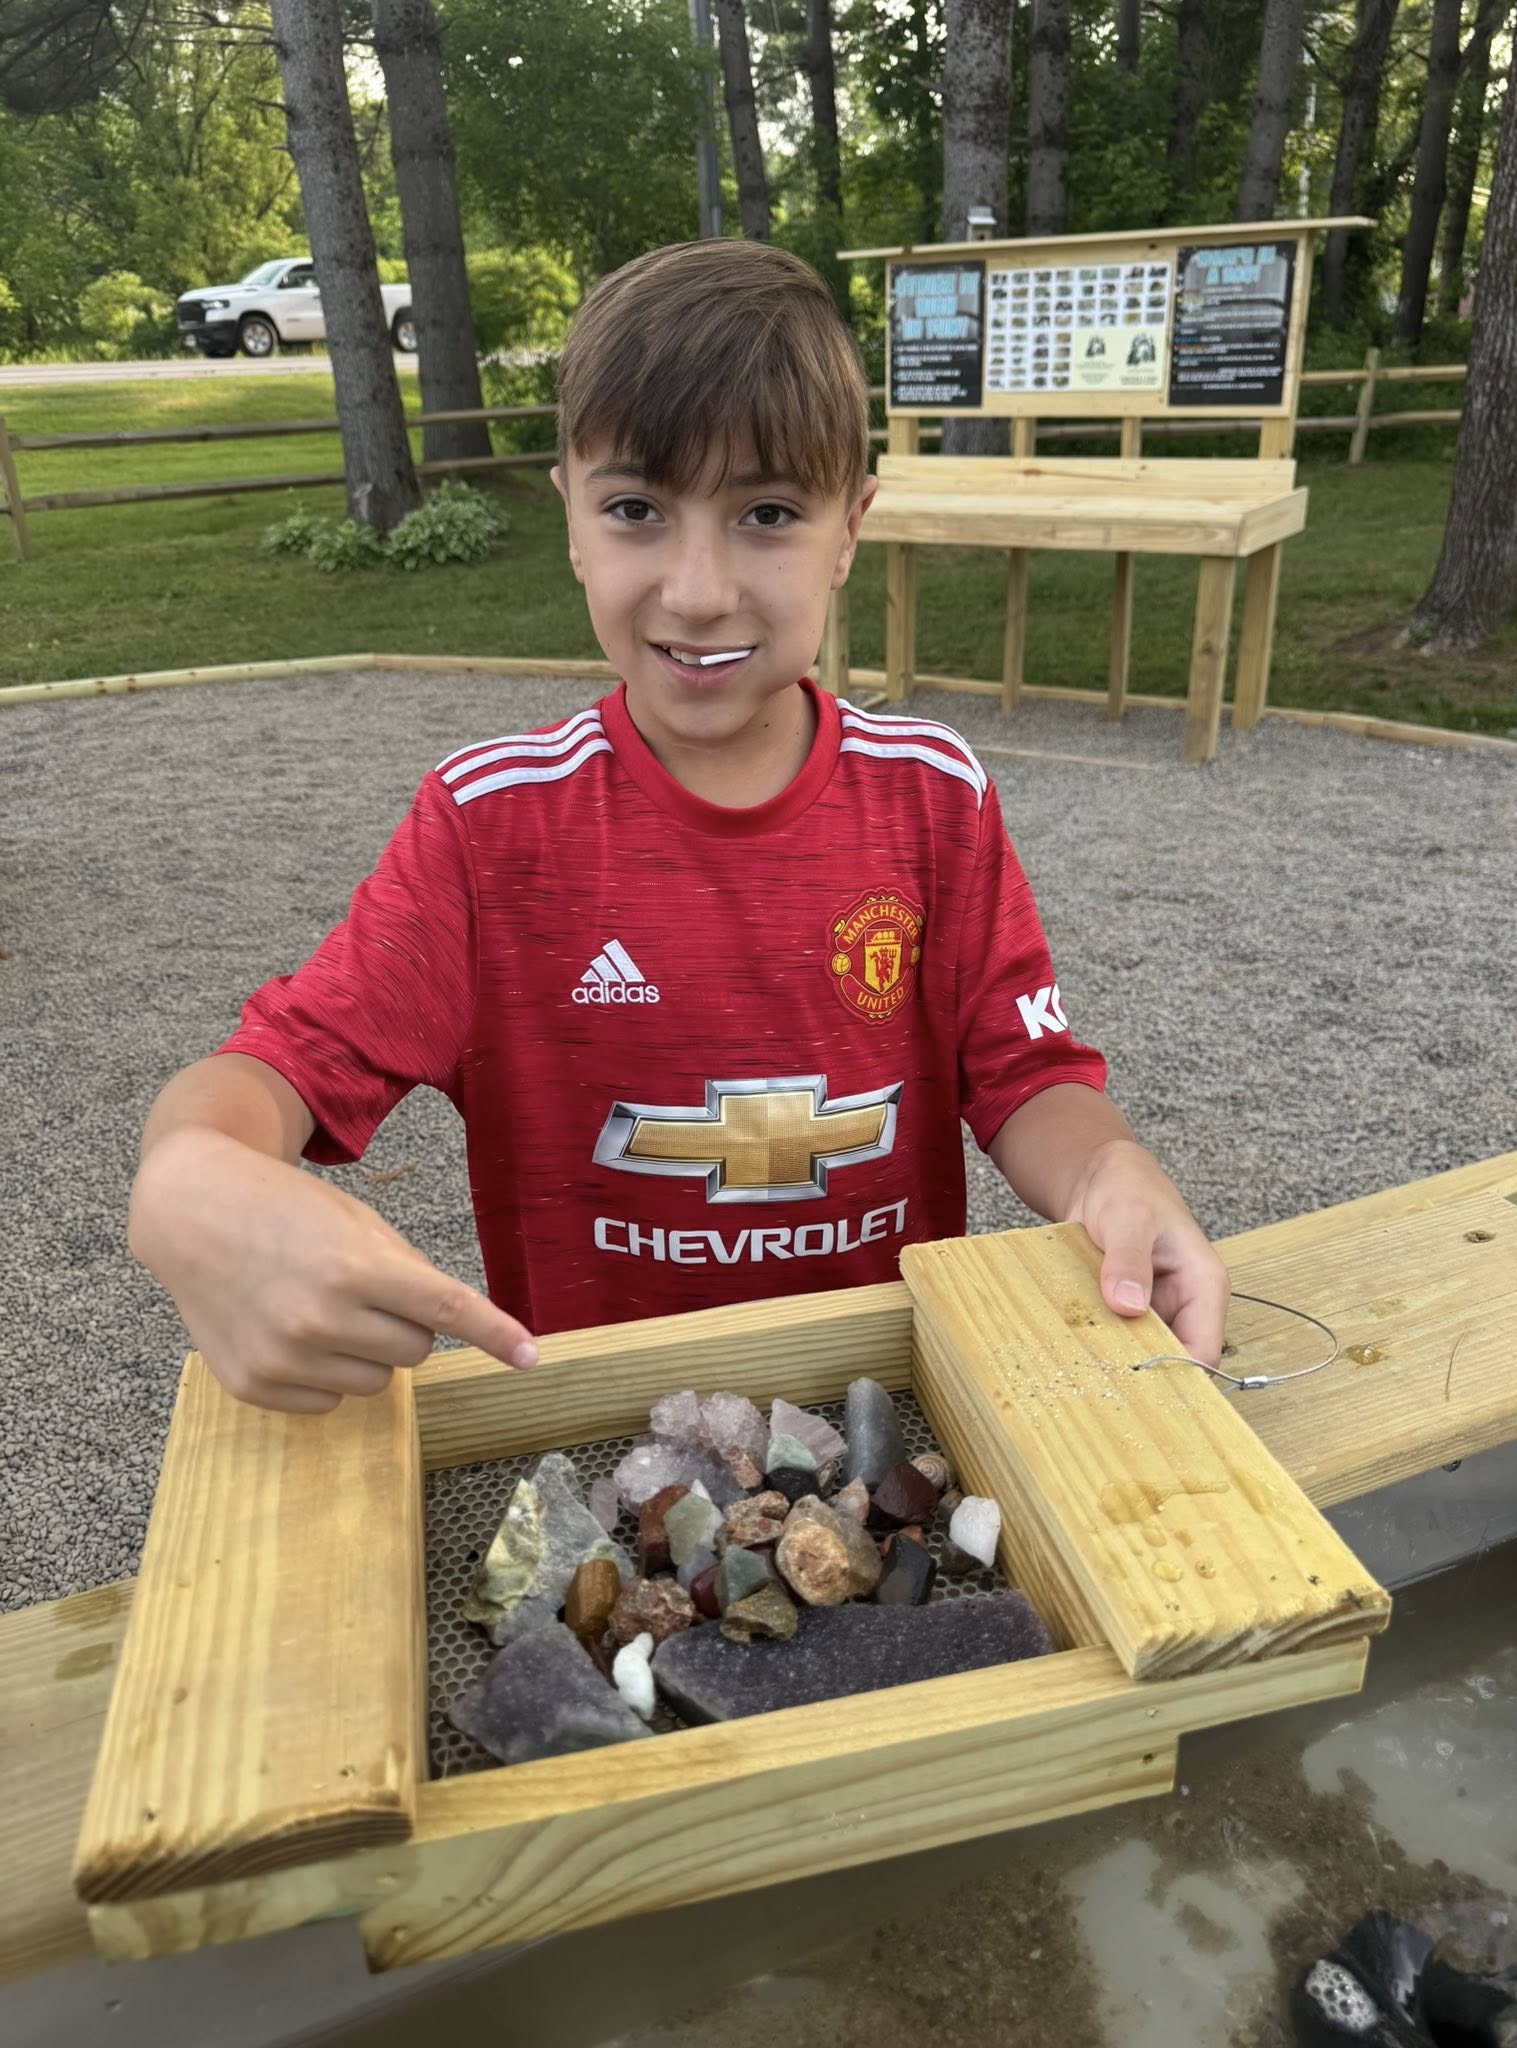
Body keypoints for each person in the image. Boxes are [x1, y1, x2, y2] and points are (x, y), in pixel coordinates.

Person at [127, 238, 1230, 1417]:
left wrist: (1114, 1171)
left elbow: (1023, 1074)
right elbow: (279, 1067)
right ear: (572, 519)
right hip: (605, 1441)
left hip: (888, 1423)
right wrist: (193, 1174)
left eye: (766, 512)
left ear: (850, 527)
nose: (698, 588)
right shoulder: (490, 827)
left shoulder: (933, 794)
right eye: (638, 509)